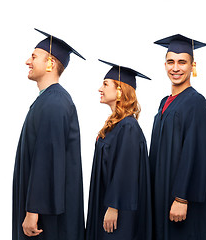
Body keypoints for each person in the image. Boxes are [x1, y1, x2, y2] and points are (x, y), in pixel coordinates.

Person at [12, 28, 85, 240]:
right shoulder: (48, 99)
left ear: (50, 62)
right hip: (42, 209)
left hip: (46, 218)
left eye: (34, 57)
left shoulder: (55, 102)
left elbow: (47, 159)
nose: (28, 61)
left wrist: (33, 211)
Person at [149, 34, 206, 240]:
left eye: (182, 62)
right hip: (162, 192)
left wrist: (182, 198)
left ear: (193, 66)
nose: (176, 68)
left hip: (182, 199)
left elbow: (196, 152)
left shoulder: (197, 103)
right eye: (171, 62)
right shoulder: (164, 102)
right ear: (164, 65)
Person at [85, 59, 152, 240]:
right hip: (106, 202)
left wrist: (114, 206)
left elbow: (126, 169)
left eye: (105, 84)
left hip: (119, 210)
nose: (100, 89)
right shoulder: (117, 125)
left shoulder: (128, 126)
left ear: (120, 90)